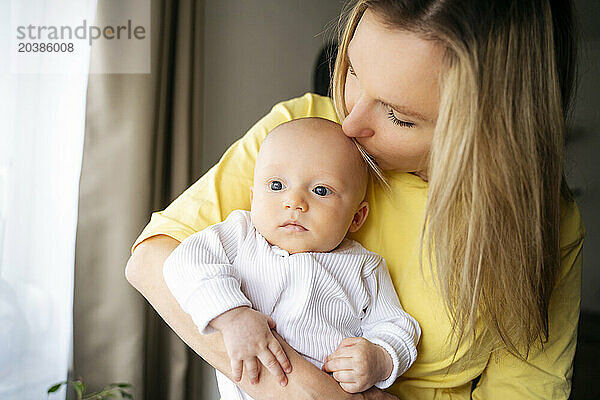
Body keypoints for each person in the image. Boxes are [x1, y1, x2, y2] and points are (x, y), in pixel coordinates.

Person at [125, 0, 585, 399]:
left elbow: (526, 388)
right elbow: (153, 259)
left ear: (488, 130)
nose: (349, 124)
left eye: (399, 116)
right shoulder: (302, 135)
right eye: (353, 73)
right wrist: (309, 392)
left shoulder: (544, 221)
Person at [162, 118, 421, 399]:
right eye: (275, 185)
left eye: (321, 190)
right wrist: (233, 316)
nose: (294, 202)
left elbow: (397, 326)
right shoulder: (241, 235)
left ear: (356, 217)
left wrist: (379, 359)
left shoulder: (363, 266)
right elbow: (185, 261)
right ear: (253, 198)